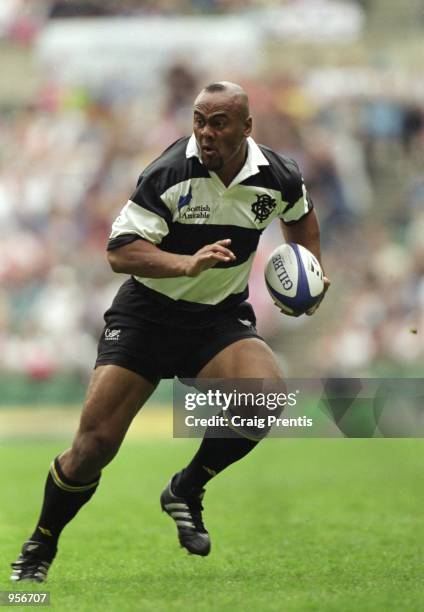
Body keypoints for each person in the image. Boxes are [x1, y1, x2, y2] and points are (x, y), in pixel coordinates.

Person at [11, 81, 329, 582]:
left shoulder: (280, 175)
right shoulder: (167, 173)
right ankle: (40, 545)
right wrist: (185, 264)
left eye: (218, 122)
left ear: (246, 127)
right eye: (199, 120)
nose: (205, 132)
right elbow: (120, 251)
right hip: (147, 317)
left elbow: (302, 216)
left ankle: (186, 487)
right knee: (93, 446)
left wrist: (309, 273)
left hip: (217, 319)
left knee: (264, 400)